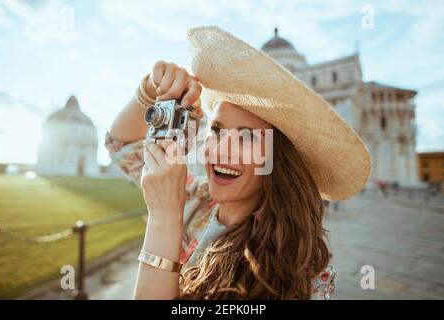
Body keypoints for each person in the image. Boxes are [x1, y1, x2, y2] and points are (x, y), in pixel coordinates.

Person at [105, 26, 371, 299]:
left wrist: (164, 219)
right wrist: (150, 90)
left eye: (247, 137)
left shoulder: (298, 274)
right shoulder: (195, 196)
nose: (221, 150)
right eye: (217, 130)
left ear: (279, 160)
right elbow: (120, 144)